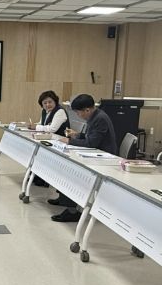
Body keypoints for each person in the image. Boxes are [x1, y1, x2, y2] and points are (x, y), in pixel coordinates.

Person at [50, 94, 117, 222]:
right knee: (64, 164)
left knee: (71, 170)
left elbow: (91, 143)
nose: (77, 115)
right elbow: (91, 137)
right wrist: (77, 135)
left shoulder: (100, 118)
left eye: (78, 112)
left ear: (87, 110)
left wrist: (69, 141)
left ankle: (72, 211)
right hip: (95, 153)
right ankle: (64, 199)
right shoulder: (95, 116)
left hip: (103, 158)